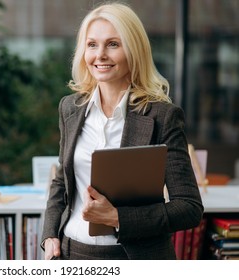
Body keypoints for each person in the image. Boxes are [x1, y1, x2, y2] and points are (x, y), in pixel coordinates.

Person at [41, 2, 204, 260]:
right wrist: (50, 234)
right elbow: (62, 181)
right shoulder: (70, 108)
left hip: (133, 258)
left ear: (134, 50)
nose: (100, 55)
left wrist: (117, 217)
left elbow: (189, 207)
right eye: (92, 44)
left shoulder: (162, 116)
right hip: (71, 253)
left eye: (113, 44)